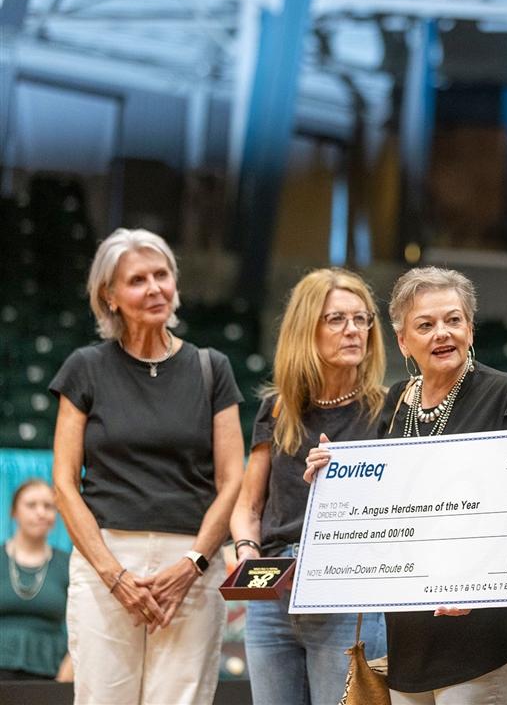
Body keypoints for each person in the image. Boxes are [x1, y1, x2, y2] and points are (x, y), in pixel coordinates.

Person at [305, 267, 507, 705]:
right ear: (402, 341)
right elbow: (381, 503)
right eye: (425, 326)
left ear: (470, 327)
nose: (442, 334)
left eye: (453, 320)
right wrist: (333, 475)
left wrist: (481, 582)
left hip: (490, 627)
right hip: (416, 633)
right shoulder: (395, 404)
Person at [50, 228, 245, 704]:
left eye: (162, 275)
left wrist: (194, 563)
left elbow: (232, 479)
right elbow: (63, 483)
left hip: (191, 565)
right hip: (107, 561)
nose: (155, 287)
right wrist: (113, 574)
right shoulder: (85, 367)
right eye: (138, 280)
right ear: (109, 297)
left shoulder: (211, 367)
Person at [231, 268, 388, 705]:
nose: (353, 330)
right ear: (306, 328)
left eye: (362, 319)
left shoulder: (389, 409)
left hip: (346, 587)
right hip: (273, 590)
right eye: (336, 319)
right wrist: (248, 554)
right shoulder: (277, 408)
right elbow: (248, 505)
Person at [0, 479, 72, 681]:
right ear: (14, 512)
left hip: (52, 673)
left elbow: (83, 623)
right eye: (31, 505)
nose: (41, 512)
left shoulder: (68, 564)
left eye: (48, 506)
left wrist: (70, 667)